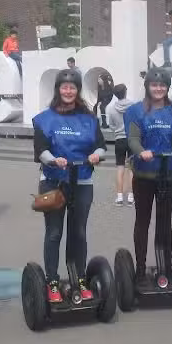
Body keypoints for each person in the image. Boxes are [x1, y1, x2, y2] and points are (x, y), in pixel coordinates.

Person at [33, 69, 105, 302]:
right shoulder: (44, 119)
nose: (68, 91)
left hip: (82, 181)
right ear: (58, 90)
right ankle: (52, 281)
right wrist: (53, 160)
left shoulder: (89, 119)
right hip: (53, 183)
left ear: (77, 90)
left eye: (72, 87)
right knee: (54, 232)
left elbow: (101, 145)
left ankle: (79, 278)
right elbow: (40, 150)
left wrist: (96, 155)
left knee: (79, 232)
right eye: (64, 87)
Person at [126, 68, 172, 286]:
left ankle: (166, 267)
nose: (158, 89)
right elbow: (133, 139)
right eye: (154, 85)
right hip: (144, 174)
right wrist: (141, 151)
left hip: (168, 173)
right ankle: (140, 268)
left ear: (167, 87)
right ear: (147, 86)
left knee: (164, 222)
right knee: (142, 221)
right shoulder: (136, 110)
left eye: (162, 85)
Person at [105, 84, 134, 205]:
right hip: (132, 139)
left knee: (120, 168)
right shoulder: (133, 106)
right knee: (132, 169)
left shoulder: (111, 109)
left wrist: (117, 130)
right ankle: (131, 197)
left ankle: (119, 196)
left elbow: (111, 125)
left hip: (119, 139)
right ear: (125, 92)